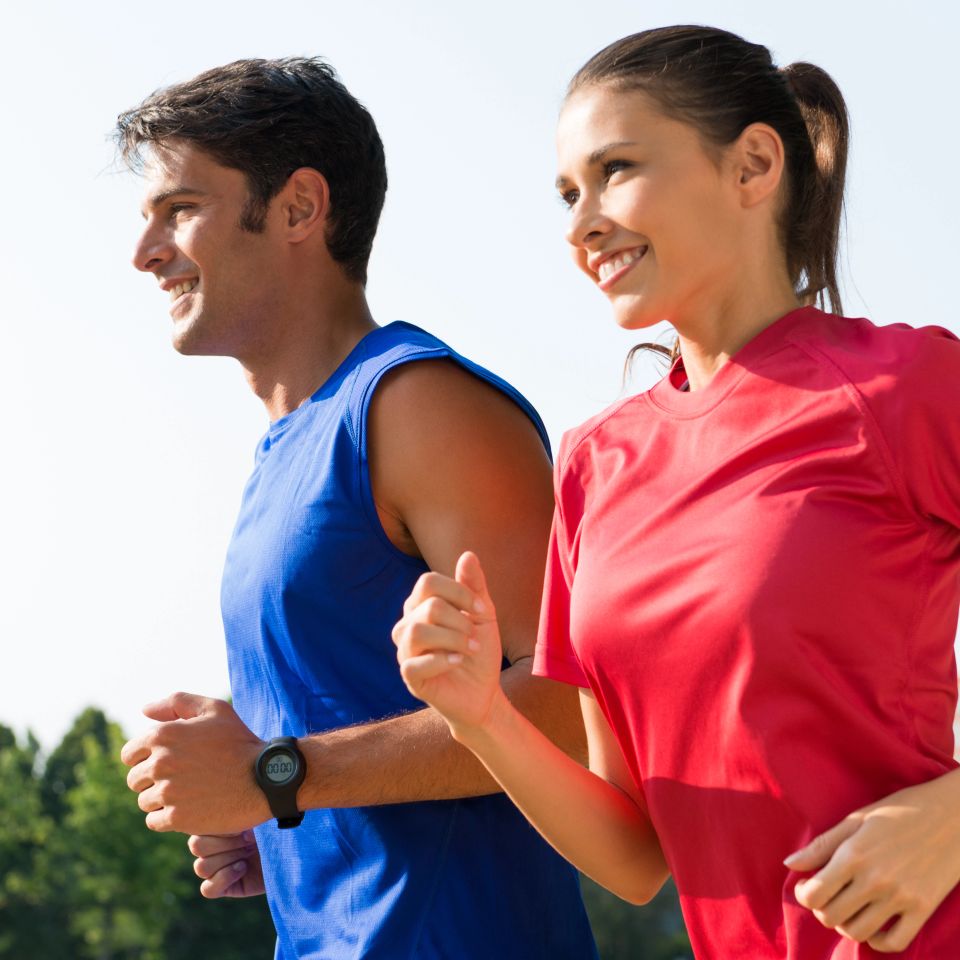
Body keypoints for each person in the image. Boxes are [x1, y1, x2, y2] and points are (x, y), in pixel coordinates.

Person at [393, 25, 960, 959]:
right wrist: (478, 714)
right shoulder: (592, 465)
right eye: (569, 193)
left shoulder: (901, 388)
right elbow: (634, 853)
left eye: (616, 170)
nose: (581, 223)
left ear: (753, 166)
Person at [115, 57, 597, 960]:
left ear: (300, 207)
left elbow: (572, 707)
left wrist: (275, 775)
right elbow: (362, 731)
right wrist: (280, 820)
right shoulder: (291, 444)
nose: (144, 251)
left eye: (179, 209)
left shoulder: (417, 406)